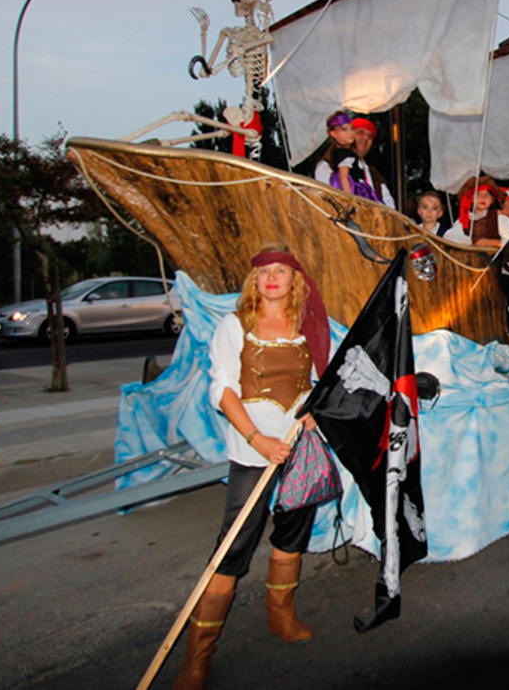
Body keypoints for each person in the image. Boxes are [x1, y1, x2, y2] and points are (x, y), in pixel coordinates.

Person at [176, 244, 331, 689]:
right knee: (232, 548)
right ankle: (197, 660)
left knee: (293, 531)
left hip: (299, 447)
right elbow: (222, 388)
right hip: (253, 451)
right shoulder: (234, 324)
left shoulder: (308, 325)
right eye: (264, 271)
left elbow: (320, 380)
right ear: (254, 279)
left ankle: (281, 618)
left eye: (281, 271)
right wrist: (257, 439)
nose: (271, 278)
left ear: (293, 278)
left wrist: (314, 411)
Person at [351, 117, 396, 209]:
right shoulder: (329, 165)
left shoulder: (373, 173)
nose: (366, 138)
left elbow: (389, 206)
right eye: (360, 132)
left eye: (370, 136)